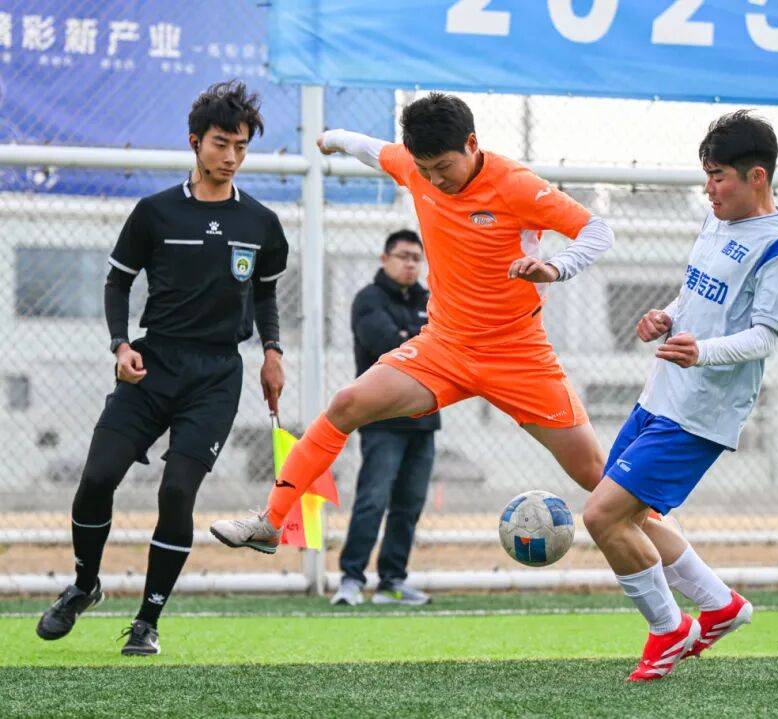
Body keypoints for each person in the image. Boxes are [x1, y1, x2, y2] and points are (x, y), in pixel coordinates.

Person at [209, 91, 618, 555]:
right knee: (345, 404)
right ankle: (271, 522)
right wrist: (333, 138)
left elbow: (597, 230)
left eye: (443, 167)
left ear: (471, 144)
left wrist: (556, 266)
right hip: (444, 348)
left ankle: (673, 554)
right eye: (424, 170)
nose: (434, 179)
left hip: (517, 355)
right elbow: (374, 151)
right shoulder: (414, 166)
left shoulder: (516, 185)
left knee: (596, 475)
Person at [36, 81, 289, 656]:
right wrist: (120, 345)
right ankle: (84, 586)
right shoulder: (155, 212)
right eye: (221, 143)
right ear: (195, 142)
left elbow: (265, 294)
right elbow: (117, 282)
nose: (231, 156)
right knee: (96, 479)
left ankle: (147, 621)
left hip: (216, 376)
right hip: (152, 366)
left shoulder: (262, 222)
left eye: (241, 147)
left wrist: (272, 352)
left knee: (177, 493)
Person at [581, 111, 778, 681]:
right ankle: (720, 606)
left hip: (700, 413)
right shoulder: (716, 220)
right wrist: (665, 315)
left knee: (603, 515)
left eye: (718, 177)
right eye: (706, 176)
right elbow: (695, 295)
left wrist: (701, 352)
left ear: (757, 176)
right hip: (660, 395)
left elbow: (765, 336)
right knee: (632, 515)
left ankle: (668, 629)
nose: (709, 188)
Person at [331, 229, 438, 607]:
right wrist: (417, 341)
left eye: (416, 258)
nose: (410, 264)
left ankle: (392, 581)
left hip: (424, 420)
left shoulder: (431, 300)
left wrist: (413, 339)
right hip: (381, 420)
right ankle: (351, 579)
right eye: (403, 256)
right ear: (385, 259)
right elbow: (389, 347)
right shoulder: (369, 299)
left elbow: (447, 347)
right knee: (372, 500)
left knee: (409, 505)